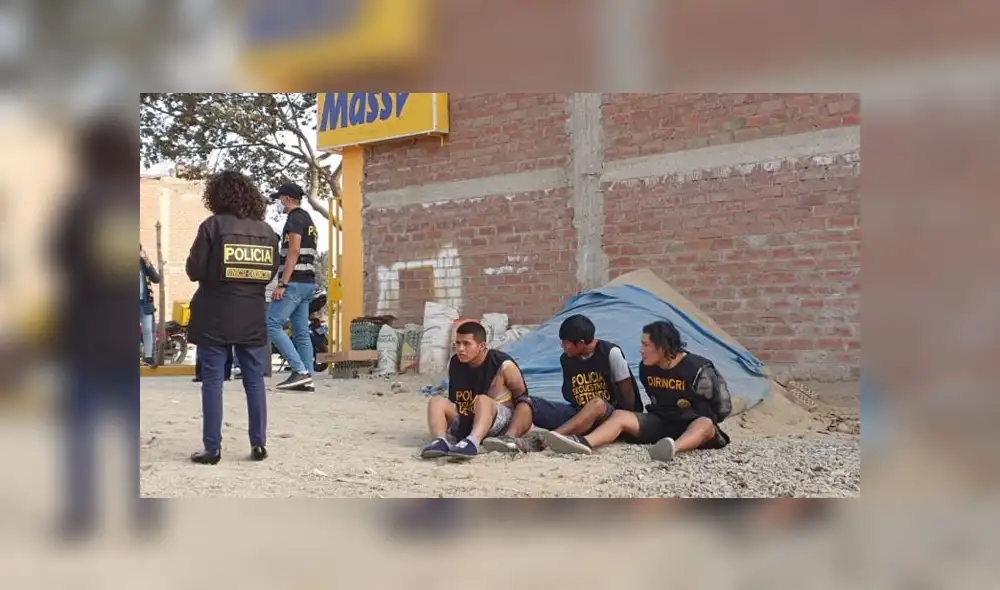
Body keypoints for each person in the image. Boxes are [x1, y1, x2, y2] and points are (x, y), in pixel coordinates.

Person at [185, 170, 279, 465]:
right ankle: (259, 443)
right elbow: (270, 274)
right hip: (251, 314)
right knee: (254, 381)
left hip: (214, 313)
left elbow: (194, 270)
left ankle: (212, 449)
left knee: (213, 381)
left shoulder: (212, 226)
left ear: (217, 196)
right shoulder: (267, 232)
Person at [546, 320, 732, 462]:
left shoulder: (698, 369)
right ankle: (584, 443)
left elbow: (723, 407)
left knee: (705, 423)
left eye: (646, 345)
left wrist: (702, 417)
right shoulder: (646, 368)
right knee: (619, 415)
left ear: (663, 346)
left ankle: (672, 449)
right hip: (662, 422)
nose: (641, 350)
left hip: (693, 425)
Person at [482, 314, 640, 454]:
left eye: (566, 343)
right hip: (579, 413)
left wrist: (626, 423)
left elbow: (627, 390)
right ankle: (509, 439)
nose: (563, 346)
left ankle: (547, 440)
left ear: (581, 343)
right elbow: (570, 394)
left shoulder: (611, 353)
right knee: (528, 401)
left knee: (597, 403)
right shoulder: (567, 359)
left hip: (608, 415)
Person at [421, 321, 532, 461]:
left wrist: (511, 434)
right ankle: (440, 441)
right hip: (466, 416)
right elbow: (454, 400)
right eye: (457, 343)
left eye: (466, 344)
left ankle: (473, 442)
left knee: (482, 399)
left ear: (482, 346)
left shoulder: (502, 364)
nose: (460, 349)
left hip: (497, 422)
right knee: (436, 401)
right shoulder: (455, 363)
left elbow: (523, 400)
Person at [267, 182, 319, 391]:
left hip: (294, 283)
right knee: (301, 332)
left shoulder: (295, 218)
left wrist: (283, 283)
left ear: (287, 198)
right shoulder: (308, 219)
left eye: (280, 199)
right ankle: (308, 378)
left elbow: (294, 250)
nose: (278, 203)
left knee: (272, 324)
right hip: (307, 283)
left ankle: (299, 371)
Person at [139, 244, 161, 366]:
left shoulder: (143, 263)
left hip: (145, 302)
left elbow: (156, 279)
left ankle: (148, 356)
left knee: (147, 329)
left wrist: (147, 261)